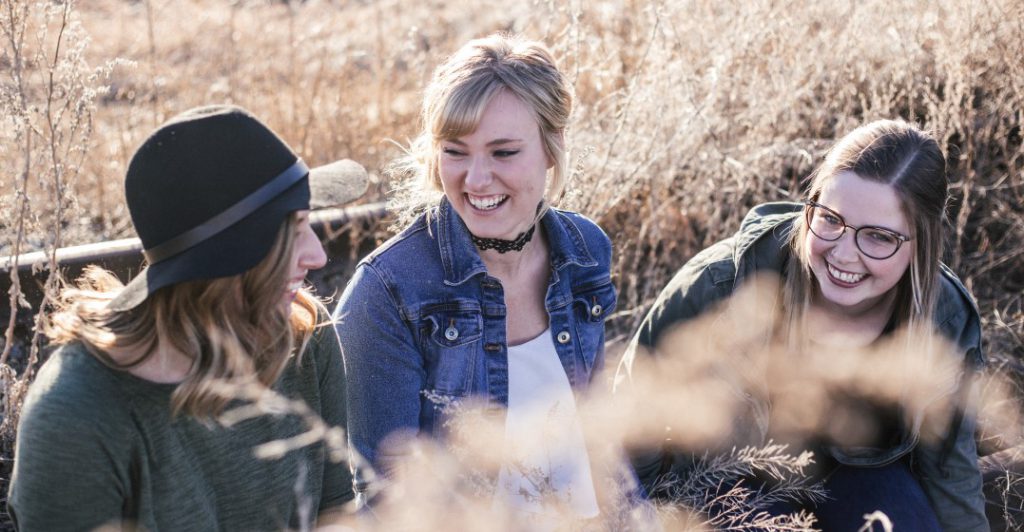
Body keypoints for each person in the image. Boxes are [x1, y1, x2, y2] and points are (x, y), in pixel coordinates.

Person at [7, 105, 367, 531]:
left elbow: (336, 515)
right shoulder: (77, 416)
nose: (319, 256)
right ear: (228, 258)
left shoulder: (303, 333)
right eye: (296, 230)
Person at [616, 120, 988, 530]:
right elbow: (633, 415)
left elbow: (950, 469)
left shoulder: (944, 319)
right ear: (809, 203)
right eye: (830, 218)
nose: (844, 255)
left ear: (923, 242)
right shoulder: (721, 285)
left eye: (878, 237)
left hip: (861, 477)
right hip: (728, 479)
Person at [334, 34, 615, 519]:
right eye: (456, 151)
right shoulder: (388, 293)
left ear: (552, 149)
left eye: (503, 152)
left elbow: (597, 434)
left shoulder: (585, 251)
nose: (477, 180)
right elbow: (390, 505)